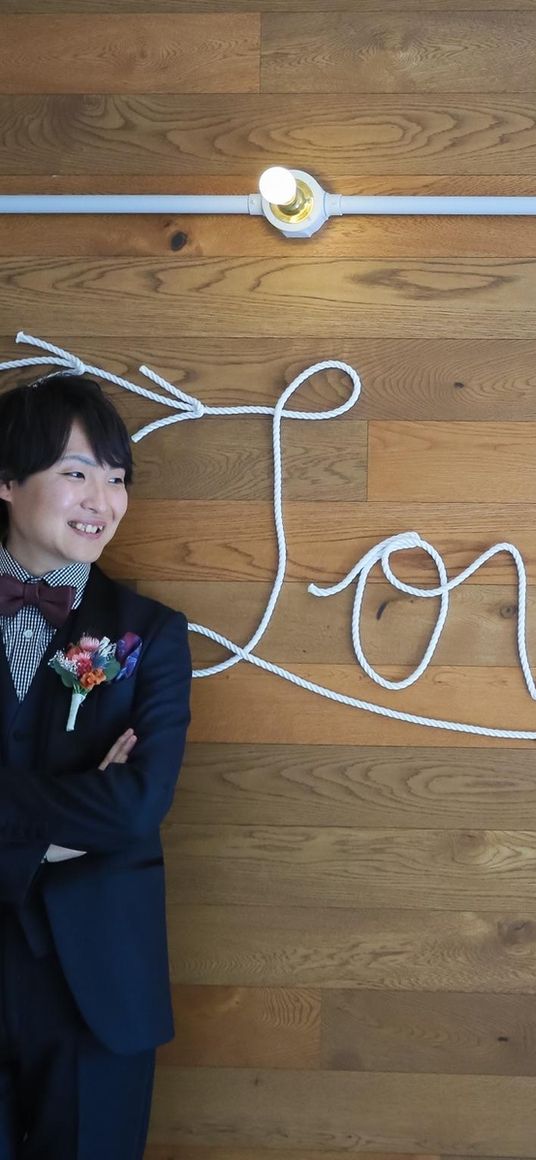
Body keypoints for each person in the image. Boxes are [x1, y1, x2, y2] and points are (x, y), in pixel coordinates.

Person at [0, 372, 191, 1158]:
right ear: (7, 481)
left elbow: (136, 806)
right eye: (77, 473)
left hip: (98, 981)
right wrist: (58, 828)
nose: (102, 502)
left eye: (117, 479)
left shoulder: (151, 633)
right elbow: (103, 808)